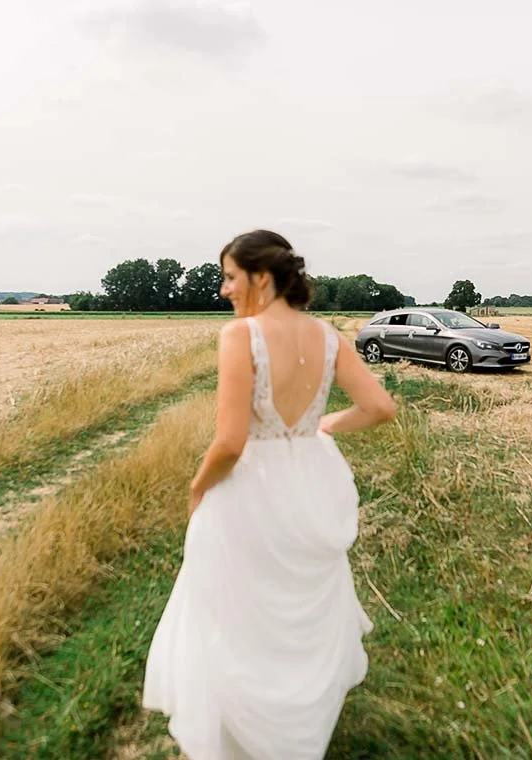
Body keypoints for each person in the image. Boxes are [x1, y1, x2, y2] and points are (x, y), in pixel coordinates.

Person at [141, 229, 398, 759]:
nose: (223, 290)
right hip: (309, 484)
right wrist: (322, 425)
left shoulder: (241, 336)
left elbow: (230, 443)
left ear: (260, 278)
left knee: (238, 609)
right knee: (295, 602)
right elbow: (380, 408)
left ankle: (241, 733)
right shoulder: (329, 336)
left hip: (250, 489)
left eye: (230, 277)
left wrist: (197, 487)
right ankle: (296, 721)